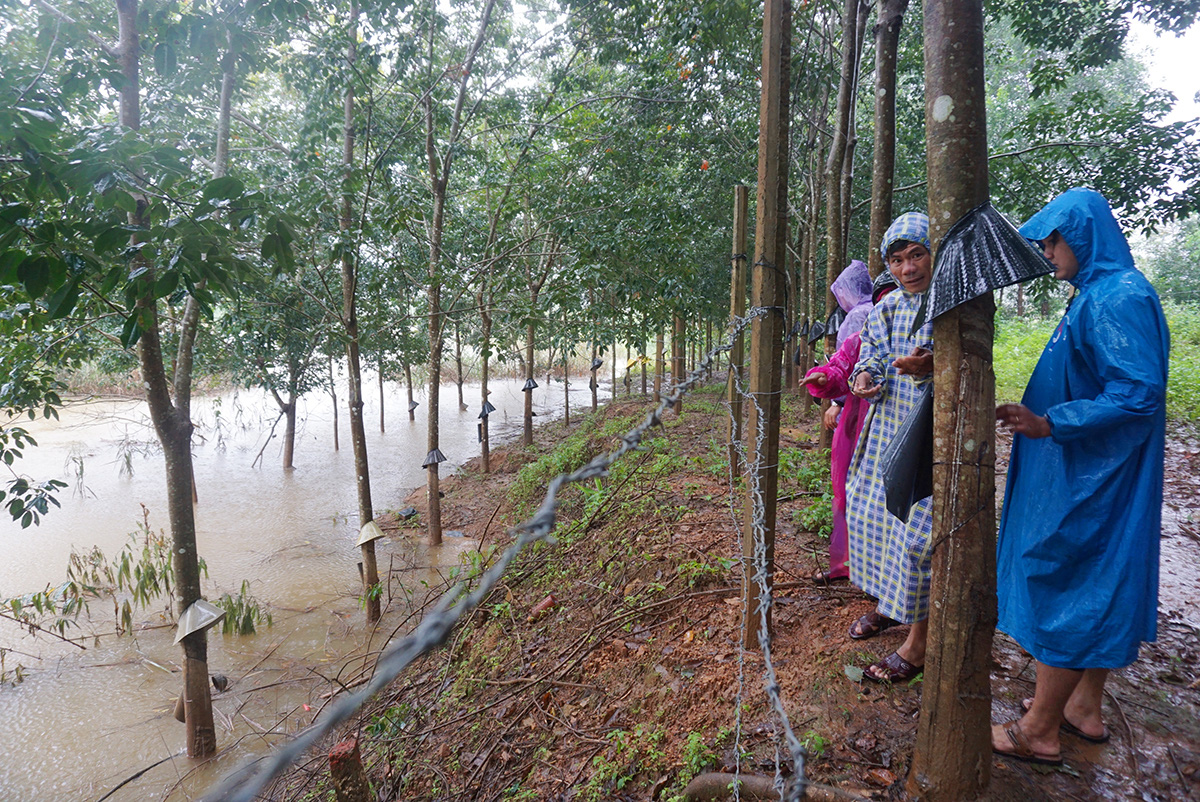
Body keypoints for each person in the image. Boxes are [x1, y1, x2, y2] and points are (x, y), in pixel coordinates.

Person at [991, 188, 1168, 766]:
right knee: (1090, 578)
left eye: (1053, 239)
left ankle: (1038, 729)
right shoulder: (1094, 293)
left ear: (1083, 235)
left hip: (1094, 471)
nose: (1046, 251)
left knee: (1067, 578)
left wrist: (1052, 422)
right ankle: (1082, 708)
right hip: (1083, 464)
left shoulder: (1118, 295)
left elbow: (1137, 393)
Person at [844, 211, 935, 683]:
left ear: (933, 253)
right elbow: (871, 357)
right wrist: (865, 378)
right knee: (872, 513)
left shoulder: (955, 303)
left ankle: (917, 643)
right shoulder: (887, 308)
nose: (907, 268)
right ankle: (890, 602)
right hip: (886, 428)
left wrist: (935, 366)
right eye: (897, 260)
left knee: (918, 532)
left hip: (931, 434)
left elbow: (974, 360)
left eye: (916, 254)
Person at [801, 264, 896, 584]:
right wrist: (825, 381)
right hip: (855, 423)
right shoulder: (863, 335)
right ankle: (845, 564)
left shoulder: (919, 334)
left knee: (886, 499)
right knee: (845, 490)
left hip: (896, 428)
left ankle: (881, 572)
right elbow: (842, 366)